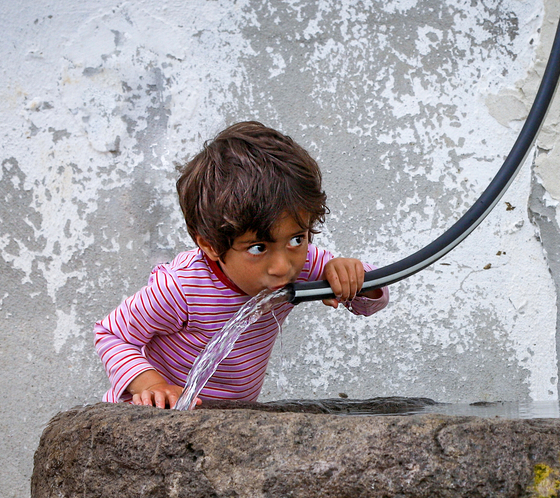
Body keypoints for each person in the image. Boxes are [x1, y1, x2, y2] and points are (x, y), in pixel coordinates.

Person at [94, 121, 388, 408]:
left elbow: (369, 302)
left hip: (225, 422)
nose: (282, 266)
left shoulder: (305, 262)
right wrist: (151, 385)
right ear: (210, 245)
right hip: (152, 414)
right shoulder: (182, 288)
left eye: (297, 239)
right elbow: (111, 334)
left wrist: (353, 277)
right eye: (258, 248)